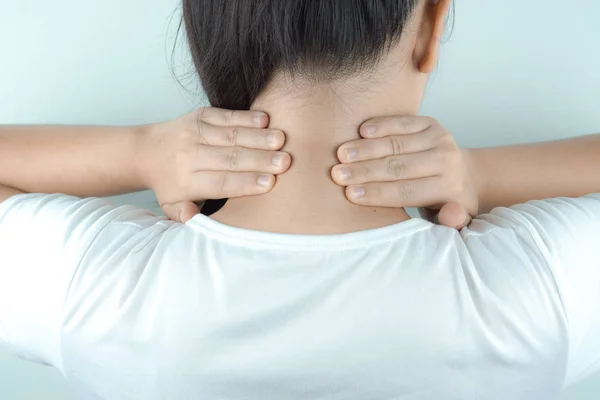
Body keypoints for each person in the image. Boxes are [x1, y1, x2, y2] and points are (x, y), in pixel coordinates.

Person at [0, 0, 599, 398]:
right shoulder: (538, 294)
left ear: (206, 36)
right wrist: (482, 174)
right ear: (430, 27)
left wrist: (139, 153)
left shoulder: (102, 295)